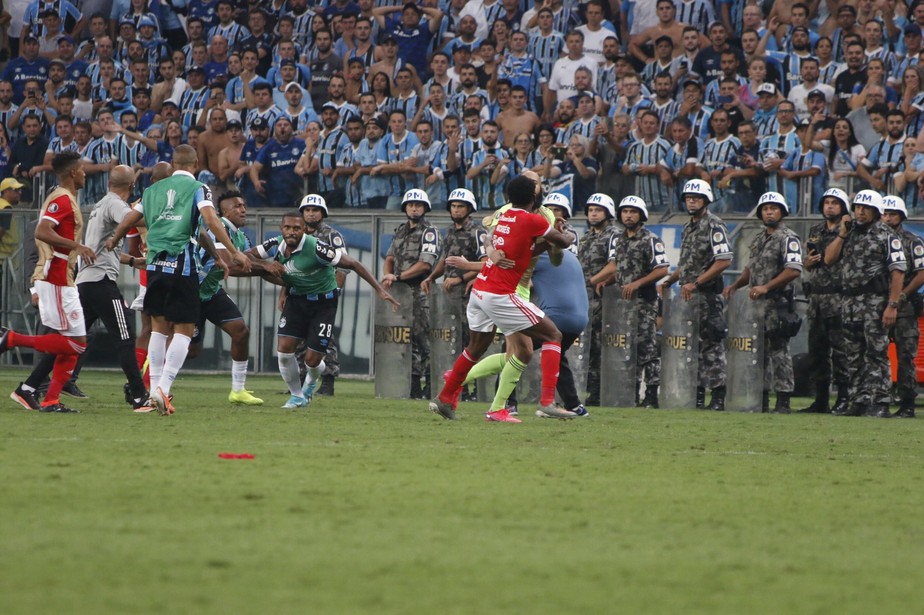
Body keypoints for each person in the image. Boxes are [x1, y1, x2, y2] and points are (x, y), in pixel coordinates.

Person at [105, 144, 253, 415]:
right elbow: (210, 220)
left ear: (173, 165)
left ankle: (153, 393)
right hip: (181, 265)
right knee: (184, 329)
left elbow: (130, 219)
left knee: (159, 329)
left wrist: (115, 238)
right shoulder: (198, 188)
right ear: (196, 164)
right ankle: (164, 388)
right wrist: (234, 252)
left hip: (155, 268)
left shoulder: (151, 191)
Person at [429, 174, 578, 422]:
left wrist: (490, 251)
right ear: (534, 196)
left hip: (480, 291)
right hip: (501, 294)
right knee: (553, 335)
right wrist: (568, 233)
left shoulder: (505, 216)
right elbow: (562, 243)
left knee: (476, 348)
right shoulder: (532, 220)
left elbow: (515, 245)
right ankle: (547, 403)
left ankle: (445, 398)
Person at [250, 211, 398, 408]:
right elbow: (244, 257)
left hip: (323, 304)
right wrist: (265, 265)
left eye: (296, 228)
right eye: (287, 227)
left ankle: (311, 382)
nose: (291, 232)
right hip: (297, 300)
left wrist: (380, 290)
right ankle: (297, 396)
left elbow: (353, 263)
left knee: (313, 360)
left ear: (304, 230)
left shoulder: (317, 248)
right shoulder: (275, 244)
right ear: (281, 229)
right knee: (284, 352)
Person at [1, 151, 94, 413]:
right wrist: (78, 245)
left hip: (62, 276)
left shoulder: (65, 197)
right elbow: (42, 230)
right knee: (77, 342)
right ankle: (12, 338)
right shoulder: (62, 199)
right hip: (56, 278)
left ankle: (44, 396)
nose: (85, 173)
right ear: (73, 172)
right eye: (83, 169)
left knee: (66, 343)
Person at [824, 190, 906, 419]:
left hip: (875, 302)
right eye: (858, 207)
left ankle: (880, 401)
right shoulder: (849, 233)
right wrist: (841, 234)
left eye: (866, 208)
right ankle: (858, 400)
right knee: (853, 354)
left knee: (877, 353)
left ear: (876, 211)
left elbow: (898, 272)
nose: (860, 212)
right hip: (850, 302)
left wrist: (892, 305)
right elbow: (828, 260)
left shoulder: (887, 235)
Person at [724, 192, 803, 414]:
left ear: (782, 212)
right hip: (756, 305)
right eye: (765, 208)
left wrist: (767, 287)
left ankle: (784, 399)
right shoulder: (759, 238)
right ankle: (762, 397)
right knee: (759, 353)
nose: (769, 212)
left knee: (780, 352)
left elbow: (793, 270)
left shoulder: (789, 238)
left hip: (777, 303)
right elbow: (751, 269)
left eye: (774, 208)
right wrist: (735, 285)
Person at [190, 190, 270, 406]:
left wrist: (285, 278)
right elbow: (232, 265)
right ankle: (151, 364)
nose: (243, 210)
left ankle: (238, 390)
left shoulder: (241, 237)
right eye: (237, 206)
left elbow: (251, 264)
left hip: (212, 291)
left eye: (244, 205)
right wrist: (267, 266)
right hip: (192, 292)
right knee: (192, 351)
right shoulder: (219, 228)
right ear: (223, 211)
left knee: (240, 331)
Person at [658, 180, 732, 411]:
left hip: (707, 296)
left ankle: (719, 396)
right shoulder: (689, 226)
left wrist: (696, 282)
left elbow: (724, 260)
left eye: (696, 197)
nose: (691, 200)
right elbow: (687, 264)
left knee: (712, 346)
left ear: (706, 200)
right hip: (690, 297)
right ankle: (698, 395)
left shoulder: (714, 225)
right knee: (693, 347)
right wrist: (670, 280)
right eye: (688, 197)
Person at [592, 196, 670, 408]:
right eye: (625, 211)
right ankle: (632, 394)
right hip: (623, 304)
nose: (628, 215)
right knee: (628, 350)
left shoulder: (650, 239)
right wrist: (607, 281)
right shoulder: (621, 240)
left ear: (641, 215)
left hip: (644, 302)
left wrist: (636, 284)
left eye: (633, 212)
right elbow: (621, 269)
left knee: (648, 350)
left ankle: (652, 396)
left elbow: (662, 269)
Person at [421, 188, 487, 402]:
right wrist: (431, 277)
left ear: (469, 209)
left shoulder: (478, 232)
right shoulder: (449, 232)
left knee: (471, 341)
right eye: (453, 206)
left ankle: (473, 390)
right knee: (452, 342)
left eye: (460, 206)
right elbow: (444, 260)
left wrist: (462, 278)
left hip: (470, 294)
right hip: (450, 295)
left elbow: (487, 262)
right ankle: (456, 388)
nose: (456, 210)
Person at [381, 188, 440, 399]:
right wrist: (387, 276)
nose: (414, 208)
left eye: (418, 205)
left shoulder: (429, 231)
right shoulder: (400, 231)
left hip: (419, 293)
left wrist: (397, 277)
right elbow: (389, 257)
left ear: (425, 208)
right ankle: (413, 385)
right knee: (406, 340)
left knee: (425, 340)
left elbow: (425, 265)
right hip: (399, 293)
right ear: (405, 207)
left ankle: (431, 386)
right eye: (410, 205)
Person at [799, 189, 851, 415]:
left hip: (838, 297)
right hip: (817, 298)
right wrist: (807, 263)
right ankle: (820, 400)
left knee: (841, 353)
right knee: (817, 352)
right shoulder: (816, 230)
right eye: (827, 202)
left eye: (835, 203)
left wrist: (841, 233)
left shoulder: (849, 231)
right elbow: (811, 263)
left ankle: (843, 398)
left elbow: (830, 260)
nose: (830, 206)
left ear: (843, 207)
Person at [298, 194, 348, 397]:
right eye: (307, 210)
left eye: (315, 210)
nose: (311, 213)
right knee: (298, 337)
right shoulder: (296, 233)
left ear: (323, 213)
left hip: (324, 295)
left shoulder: (331, 235)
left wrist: (335, 292)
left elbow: (344, 267)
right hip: (300, 293)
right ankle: (299, 383)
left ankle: (328, 383)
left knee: (325, 338)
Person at [881, 196, 924, 419]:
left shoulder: (912, 241)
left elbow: (921, 273)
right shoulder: (874, 240)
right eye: (885, 214)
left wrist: (902, 296)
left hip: (904, 308)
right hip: (875, 305)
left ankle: (907, 403)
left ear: (901, 217)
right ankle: (878, 400)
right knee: (875, 355)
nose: (888, 218)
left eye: (893, 214)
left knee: (905, 355)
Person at [577, 192, 618, 407]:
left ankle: (601, 391)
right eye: (591, 210)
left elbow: (615, 265)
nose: (593, 214)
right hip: (584, 299)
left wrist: (591, 281)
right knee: (589, 346)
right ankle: (591, 390)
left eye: (598, 210)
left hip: (604, 299)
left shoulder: (614, 235)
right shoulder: (585, 237)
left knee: (603, 345)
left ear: (608, 213)